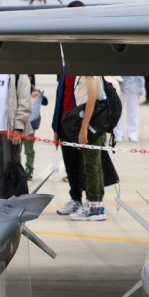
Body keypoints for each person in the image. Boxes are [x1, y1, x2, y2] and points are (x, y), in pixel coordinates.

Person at [69, 75, 110, 221]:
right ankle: (95, 204)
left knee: (91, 165)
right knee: (94, 164)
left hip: (92, 123)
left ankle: (94, 207)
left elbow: (91, 98)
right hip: (92, 122)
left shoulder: (89, 72)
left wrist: (84, 127)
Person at [52, 72, 86, 215]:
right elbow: (60, 98)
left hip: (80, 125)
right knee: (70, 166)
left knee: (84, 166)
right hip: (65, 125)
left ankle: (92, 201)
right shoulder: (64, 71)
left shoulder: (85, 71)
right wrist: (56, 128)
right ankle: (75, 200)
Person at [24, 85, 48, 181]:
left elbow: (45, 102)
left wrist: (38, 94)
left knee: (29, 149)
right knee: (14, 150)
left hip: (29, 125)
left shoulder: (32, 89)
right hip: (17, 124)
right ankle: (15, 170)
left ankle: (29, 169)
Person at [116, 75, 143, 142]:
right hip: (117, 81)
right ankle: (118, 133)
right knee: (118, 109)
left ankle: (133, 133)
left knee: (133, 109)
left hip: (133, 81)